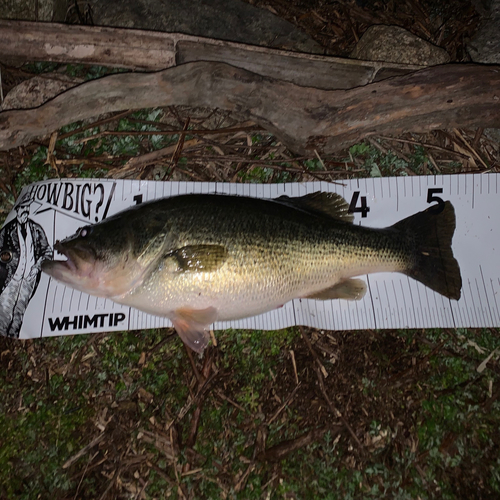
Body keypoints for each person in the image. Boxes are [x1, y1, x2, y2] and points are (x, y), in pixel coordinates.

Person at [0, 193, 52, 338]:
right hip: (11, 279)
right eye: (23, 208)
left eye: (27, 208)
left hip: (28, 279)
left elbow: (47, 250)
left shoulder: (36, 230)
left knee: (19, 312)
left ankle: (13, 336)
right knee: (4, 312)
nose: (25, 211)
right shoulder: (8, 230)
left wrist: (37, 266)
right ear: (17, 210)